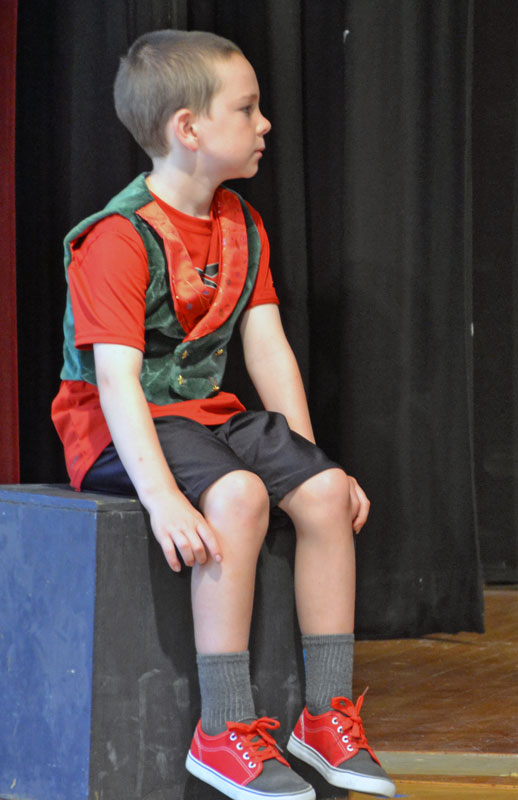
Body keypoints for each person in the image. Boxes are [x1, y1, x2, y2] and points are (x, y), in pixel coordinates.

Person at [52, 29, 396, 800]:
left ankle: (324, 715)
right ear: (189, 128)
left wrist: (311, 465)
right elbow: (117, 382)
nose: (265, 123)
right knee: (237, 496)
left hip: (203, 417)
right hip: (118, 427)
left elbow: (267, 349)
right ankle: (223, 728)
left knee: (327, 492)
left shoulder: (242, 224)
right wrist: (162, 499)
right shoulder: (119, 238)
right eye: (247, 109)